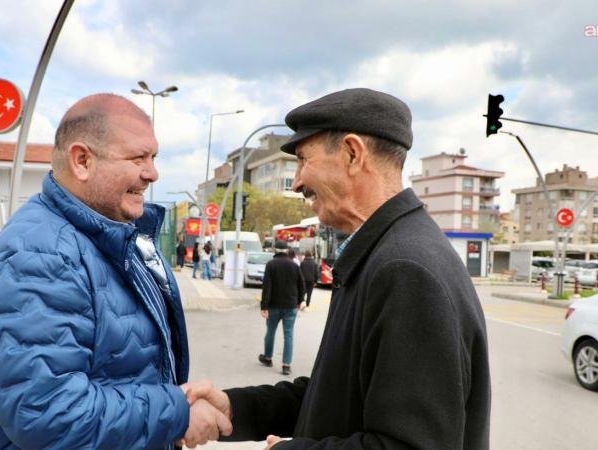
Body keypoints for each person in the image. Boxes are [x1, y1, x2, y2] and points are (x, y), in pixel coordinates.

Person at [184, 88, 491, 449]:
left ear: (351, 154)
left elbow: (409, 444)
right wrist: (234, 408)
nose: (297, 182)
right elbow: (334, 395)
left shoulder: (405, 270)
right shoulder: (384, 252)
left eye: (302, 159)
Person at [0, 93, 229, 449]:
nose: (152, 173)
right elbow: (48, 415)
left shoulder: (104, 239)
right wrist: (177, 414)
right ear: (82, 161)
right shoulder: (37, 256)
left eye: (153, 157)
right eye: (138, 157)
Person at [258, 240, 306, 376]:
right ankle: (286, 365)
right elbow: (301, 285)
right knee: (289, 335)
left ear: (274, 249)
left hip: (274, 306)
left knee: (270, 332)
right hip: (291, 306)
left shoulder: (271, 264)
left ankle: (267, 358)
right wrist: (300, 301)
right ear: (287, 250)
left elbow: (267, 286)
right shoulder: (294, 265)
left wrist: (264, 306)